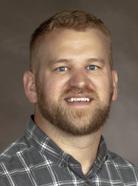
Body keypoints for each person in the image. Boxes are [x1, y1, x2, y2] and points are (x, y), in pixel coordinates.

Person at [0, 10, 137, 186]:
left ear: (114, 84)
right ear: (31, 86)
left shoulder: (132, 178)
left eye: (93, 67)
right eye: (62, 68)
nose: (79, 82)